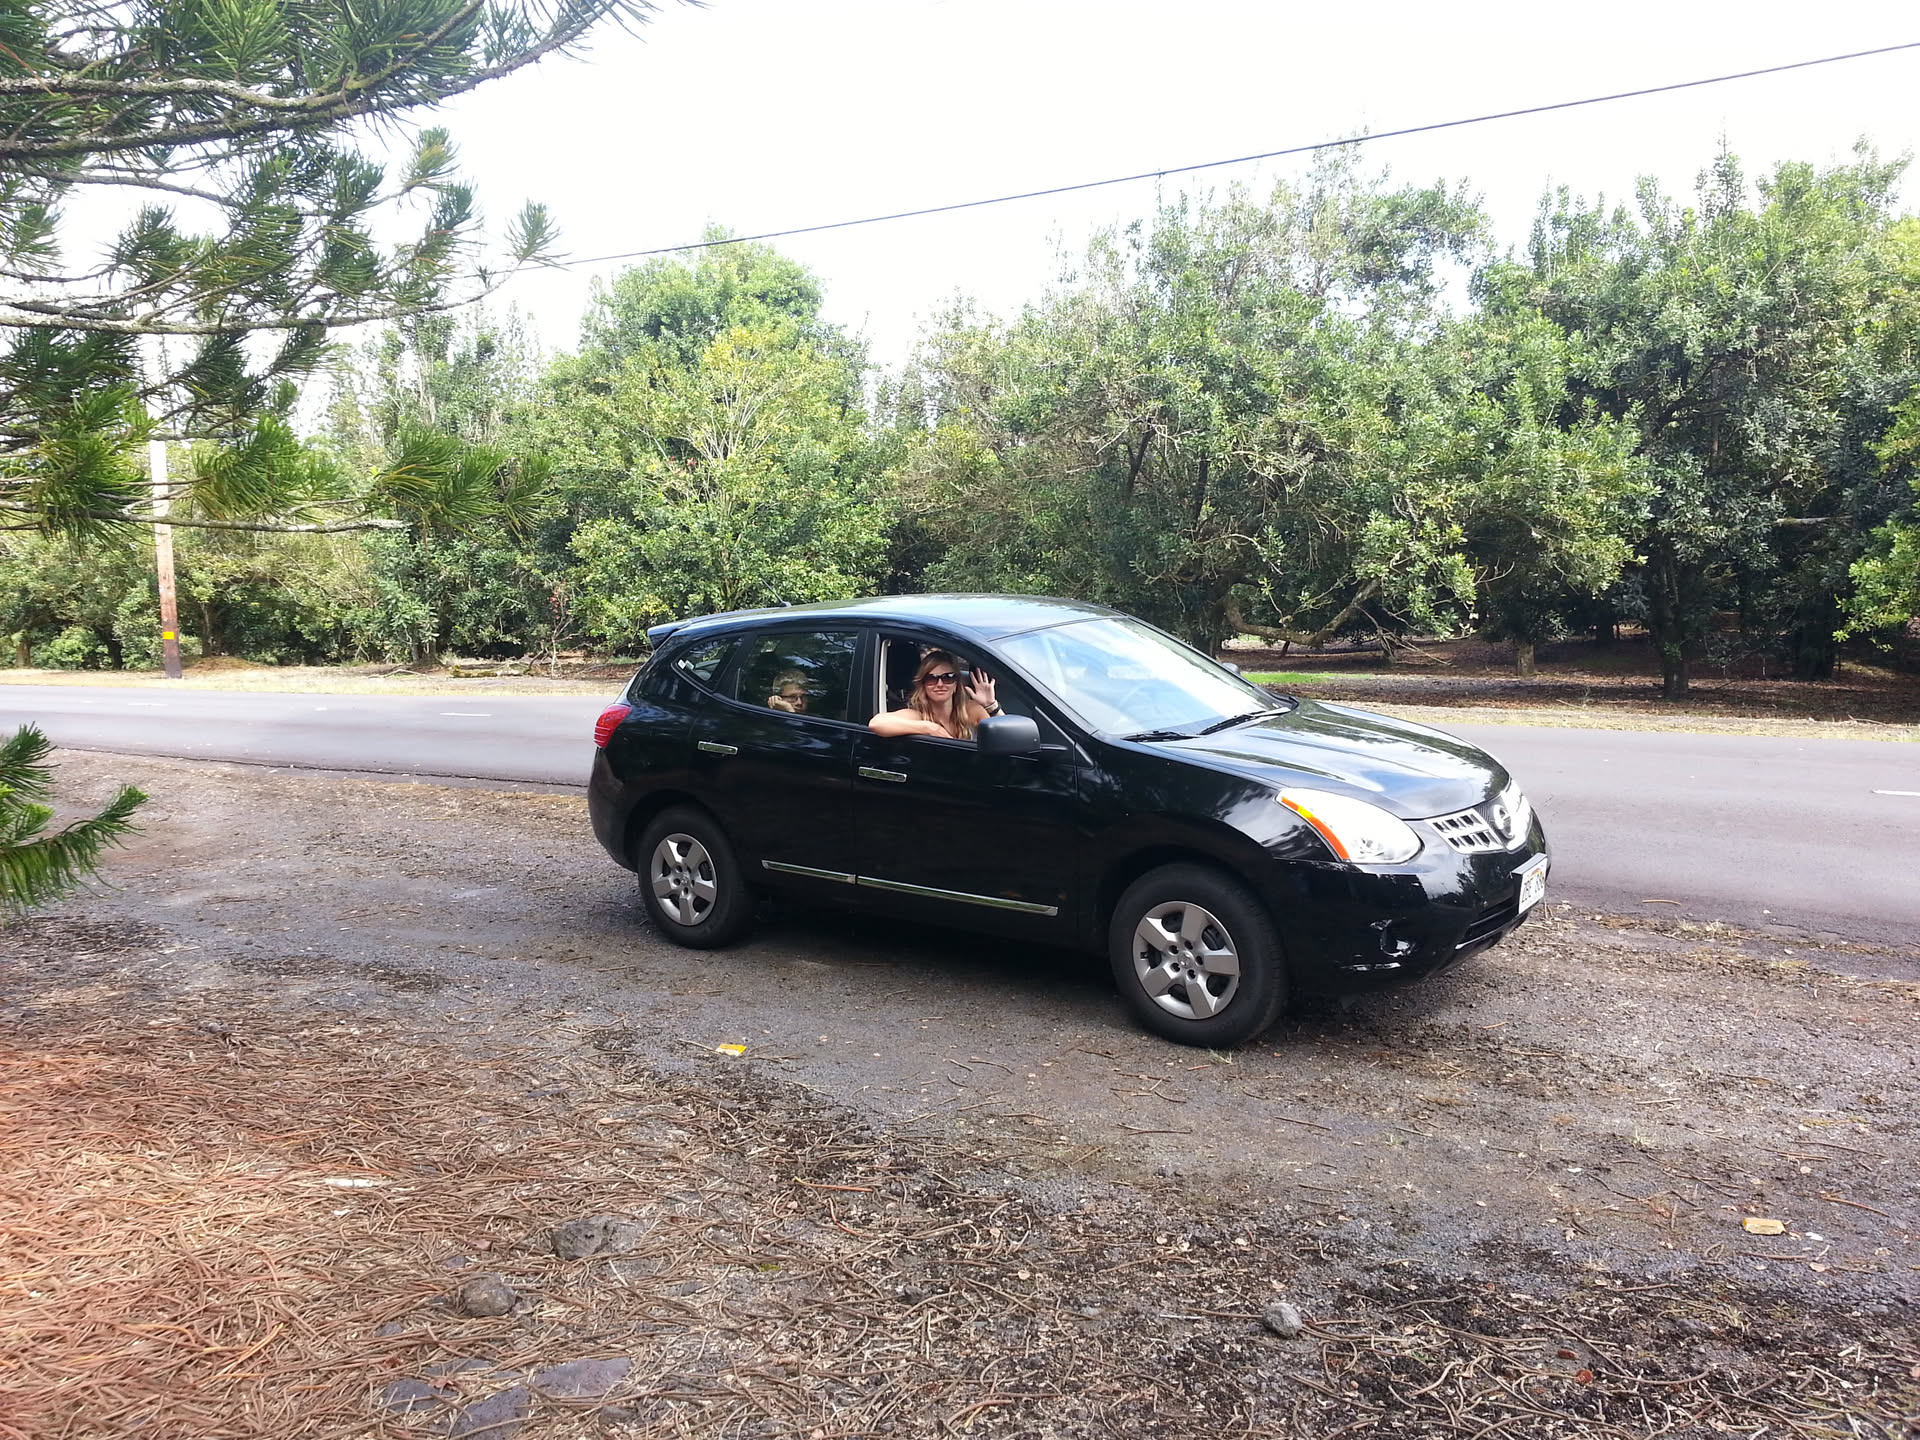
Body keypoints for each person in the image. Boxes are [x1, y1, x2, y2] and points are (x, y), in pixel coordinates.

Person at [869, 648, 999, 740]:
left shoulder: (971, 710)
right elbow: (876, 723)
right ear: (923, 685)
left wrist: (992, 706)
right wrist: (928, 728)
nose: (940, 684)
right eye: (932, 678)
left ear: (956, 684)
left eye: (948, 677)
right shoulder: (918, 715)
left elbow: (1004, 737)